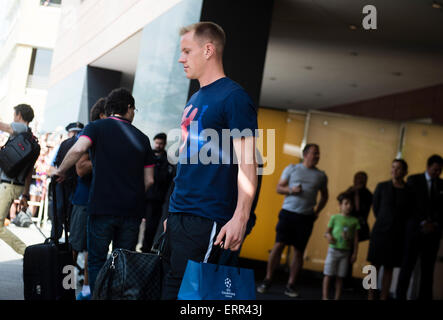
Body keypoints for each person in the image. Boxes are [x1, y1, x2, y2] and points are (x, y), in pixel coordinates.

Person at [161, 21, 258, 300]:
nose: (181, 58)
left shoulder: (234, 98)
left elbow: (248, 163)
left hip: (206, 219)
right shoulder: (195, 97)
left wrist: (241, 217)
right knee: (170, 291)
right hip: (179, 217)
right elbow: (187, 160)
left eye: (187, 51)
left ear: (208, 50)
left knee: (193, 297)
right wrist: (171, 214)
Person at [54, 88, 155, 293]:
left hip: (101, 207)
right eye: (134, 109)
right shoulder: (143, 139)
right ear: (128, 108)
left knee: (97, 261)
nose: (134, 113)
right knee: (123, 263)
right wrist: (133, 194)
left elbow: (78, 149)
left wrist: (61, 171)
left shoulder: (96, 127)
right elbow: (150, 180)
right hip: (131, 211)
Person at [257, 143, 329, 297]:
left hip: (306, 217)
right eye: (314, 153)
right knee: (278, 245)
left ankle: (291, 285)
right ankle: (268, 279)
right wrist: (291, 190)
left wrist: (317, 212)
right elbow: (278, 188)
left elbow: (325, 196)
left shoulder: (321, 175)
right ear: (305, 154)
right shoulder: (292, 169)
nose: (317, 156)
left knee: (298, 251)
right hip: (288, 213)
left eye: (318, 153)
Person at [69, 98, 107, 300]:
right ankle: (64, 287)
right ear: (102, 116)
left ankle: (86, 291)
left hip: (102, 203)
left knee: (94, 251)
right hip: (83, 201)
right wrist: (104, 158)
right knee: (74, 248)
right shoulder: (89, 135)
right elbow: (81, 169)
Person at [397, 154, 443, 300]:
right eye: (435, 169)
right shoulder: (413, 180)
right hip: (414, 233)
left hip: (432, 235)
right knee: (407, 268)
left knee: (427, 271)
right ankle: (400, 296)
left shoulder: (442, 185)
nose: (437, 173)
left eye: (440, 170)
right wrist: (423, 222)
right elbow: (408, 207)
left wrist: (434, 225)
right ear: (428, 167)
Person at [367, 159, 413, 300]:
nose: (394, 170)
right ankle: (370, 296)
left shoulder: (408, 191)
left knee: (389, 267)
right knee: (373, 267)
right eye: (393, 167)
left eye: (398, 168)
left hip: (397, 234)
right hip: (380, 231)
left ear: (405, 172)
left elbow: (408, 212)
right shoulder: (381, 186)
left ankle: (384, 296)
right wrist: (385, 220)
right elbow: (376, 208)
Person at [0, 104, 36, 255]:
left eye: (14, 115)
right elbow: (29, 173)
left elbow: (4, 126)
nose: (13, 118)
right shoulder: (30, 137)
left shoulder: (20, 128)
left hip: (8, 185)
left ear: (19, 115)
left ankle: (26, 252)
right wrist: (25, 194)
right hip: (16, 185)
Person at [322, 192, 360, 300]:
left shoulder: (354, 221)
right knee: (328, 274)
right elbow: (326, 232)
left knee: (340, 276)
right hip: (333, 250)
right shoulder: (334, 218)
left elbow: (356, 239)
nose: (348, 206)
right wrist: (328, 236)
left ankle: (337, 297)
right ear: (340, 205)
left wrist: (355, 253)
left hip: (346, 252)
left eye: (350, 204)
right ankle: (325, 297)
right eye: (346, 203)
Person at [50, 122, 84, 240]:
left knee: (71, 215)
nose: (75, 134)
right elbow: (52, 165)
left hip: (76, 184)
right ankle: (55, 240)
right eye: (73, 132)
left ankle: (62, 241)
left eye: (77, 132)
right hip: (64, 183)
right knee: (59, 212)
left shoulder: (67, 143)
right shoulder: (64, 144)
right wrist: (60, 172)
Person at [141, 132, 174, 253]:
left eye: (161, 143)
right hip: (148, 198)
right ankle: (144, 250)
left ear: (164, 144)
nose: (158, 145)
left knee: (155, 228)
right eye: (157, 143)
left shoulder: (168, 162)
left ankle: (151, 251)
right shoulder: (148, 158)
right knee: (147, 228)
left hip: (160, 200)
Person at [343, 171, 373, 288]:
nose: (359, 181)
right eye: (357, 178)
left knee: (352, 253)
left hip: (358, 227)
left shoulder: (368, 194)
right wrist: (352, 191)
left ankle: (348, 280)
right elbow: (341, 199)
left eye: (362, 179)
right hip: (346, 225)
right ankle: (341, 278)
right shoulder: (350, 190)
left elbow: (361, 209)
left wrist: (357, 194)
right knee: (344, 252)